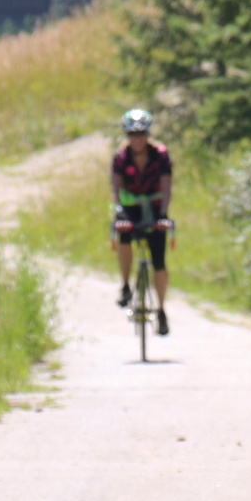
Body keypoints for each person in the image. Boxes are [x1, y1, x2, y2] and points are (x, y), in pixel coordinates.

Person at [111, 108, 172, 336]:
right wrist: (119, 212)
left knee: (159, 261)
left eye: (141, 133)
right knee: (123, 235)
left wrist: (164, 214)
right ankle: (126, 285)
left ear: (147, 134)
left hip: (155, 209)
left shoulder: (160, 154)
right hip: (130, 209)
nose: (137, 139)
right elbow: (115, 188)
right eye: (132, 134)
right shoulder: (121, 157)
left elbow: (166, 186)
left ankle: (161, 309)